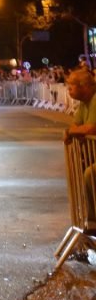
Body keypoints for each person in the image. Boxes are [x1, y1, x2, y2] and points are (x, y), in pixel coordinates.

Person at [63, 67, 96, 232]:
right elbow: (77, 125)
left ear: (84, 86)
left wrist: (71, 132)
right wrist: (73, 131)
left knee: (91, 174)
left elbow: (90, 129)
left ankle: (92, 223)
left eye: (71, 87)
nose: (69, 91)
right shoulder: (84, 103)